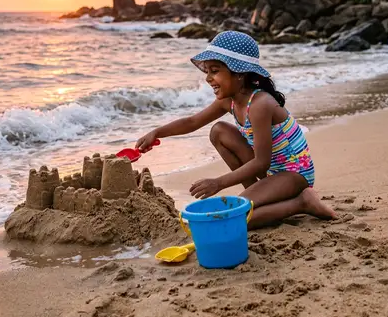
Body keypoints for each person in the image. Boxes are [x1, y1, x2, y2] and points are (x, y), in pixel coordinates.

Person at [136, 31, 337, 229]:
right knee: (218, 131)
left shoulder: (260, 104)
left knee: (235, 218)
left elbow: (261, 162)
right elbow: (192, 122)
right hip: (271, 172)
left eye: (214, 71)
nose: (208, 78)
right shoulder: (229, 101)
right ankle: (257, 194)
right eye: (207, 71)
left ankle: (301, 202)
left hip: (294, 174)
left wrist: (218, 183)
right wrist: (157, 132)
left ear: (239, 73)